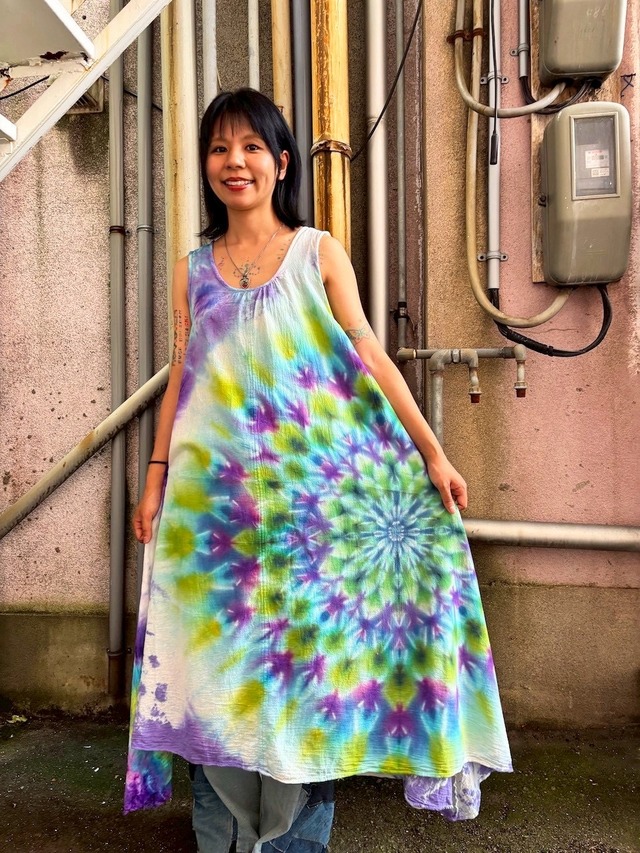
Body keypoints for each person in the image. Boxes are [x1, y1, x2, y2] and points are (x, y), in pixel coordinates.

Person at [125, 88, 512, 852]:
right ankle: (219, 838)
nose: (234, 161)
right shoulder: (191, 270)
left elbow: (370, 356)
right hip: (215, 524)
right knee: (214, 679)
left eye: (251, 146)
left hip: (313, 521)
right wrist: (155, 477)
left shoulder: (317, 253)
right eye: (218, 148)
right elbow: (183, 375)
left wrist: (432, 452)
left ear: (281, 163)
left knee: (305, 681)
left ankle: (296, 841)